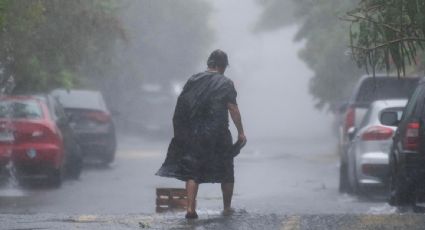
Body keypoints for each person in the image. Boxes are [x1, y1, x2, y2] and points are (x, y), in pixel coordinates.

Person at [156, 49, 246, 219]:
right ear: (223, 66)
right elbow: (233, 109)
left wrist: (180, 133)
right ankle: (227, 208)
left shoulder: (193, 80)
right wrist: (241, 133)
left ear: (209, 64)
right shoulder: (226, 83)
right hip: (218, 133)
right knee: (226, 170)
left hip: (195, 133)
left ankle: (190, 209)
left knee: (193, 172)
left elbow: (181, 105)